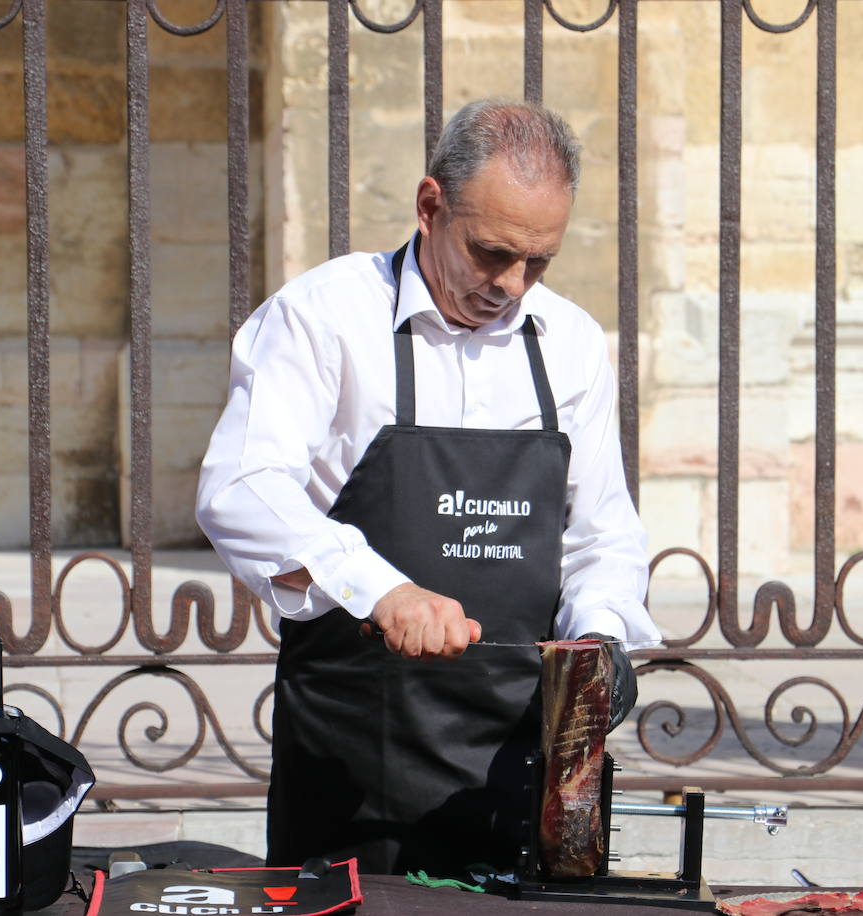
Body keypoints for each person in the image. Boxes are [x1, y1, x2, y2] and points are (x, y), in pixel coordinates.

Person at [195, 99, 660, 876]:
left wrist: (598, 638)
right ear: (429, 206)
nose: (511, 285)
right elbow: (241, 486)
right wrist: (381, 589)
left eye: (538, 261)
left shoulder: (572, 343)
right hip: (356, 773)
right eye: (490, 253)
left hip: (525, 769)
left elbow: (602, 532)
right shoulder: (328, 316)